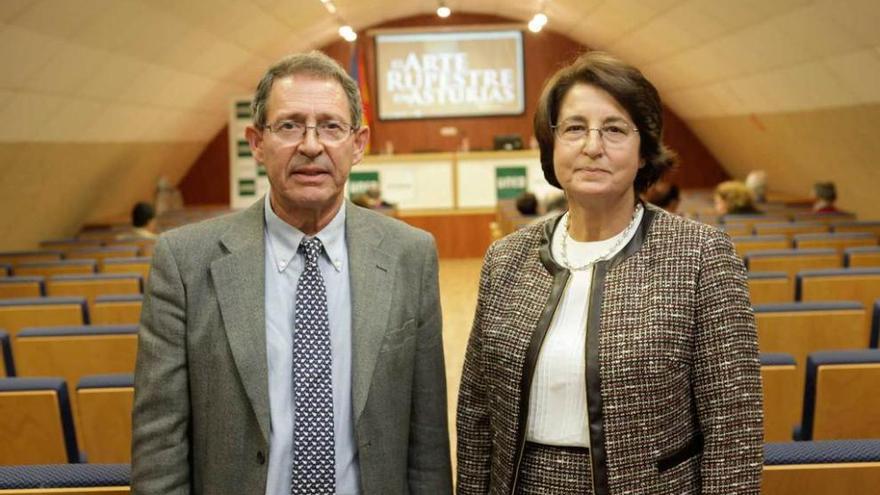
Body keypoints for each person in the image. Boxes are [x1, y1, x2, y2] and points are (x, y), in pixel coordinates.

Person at [132, 51, 453, 495]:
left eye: (331, 126)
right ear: (256, 141)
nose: (311, 145)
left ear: (358, 144)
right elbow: (159, 441)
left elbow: (427, 442)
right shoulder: (184, 262)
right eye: (289, 125)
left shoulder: (410, 255)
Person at [456, 51, 763, 494]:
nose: (592, 146)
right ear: (552, 144)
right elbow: (476, 412)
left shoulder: (701, 256)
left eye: (615, 129)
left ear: (643, 153)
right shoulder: (506, 259)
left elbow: (734, 427)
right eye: (575, 128)